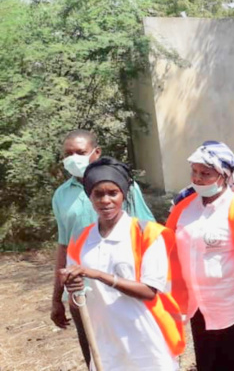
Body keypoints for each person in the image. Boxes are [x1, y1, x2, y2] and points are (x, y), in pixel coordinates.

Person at [62, 157, 184, 370]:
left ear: (124, 194)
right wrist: (73, 289)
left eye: (113, 193)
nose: (105, 200)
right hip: (104, 339)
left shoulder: (148, 233)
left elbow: (149, 291)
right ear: (89, 196)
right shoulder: (80, 239)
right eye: (98, 194)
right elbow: (76, 300)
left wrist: (98, 274)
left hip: (146, 337)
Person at [50, 129, 156, 368]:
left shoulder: (122, 188)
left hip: (123, 289)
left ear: (96, 153)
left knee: (135, 355)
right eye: (67, 154)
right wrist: (57, 297)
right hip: (82, 293)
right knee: (96, 357)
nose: (73, 158)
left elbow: (148, 233)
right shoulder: (61, 196)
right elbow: (64, 246)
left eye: (80, 152)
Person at [165, 141, 234, 371]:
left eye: (206, 173)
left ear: (224, 176)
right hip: (200, 309)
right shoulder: (182, 211)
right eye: (194, 172)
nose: (198, 178)